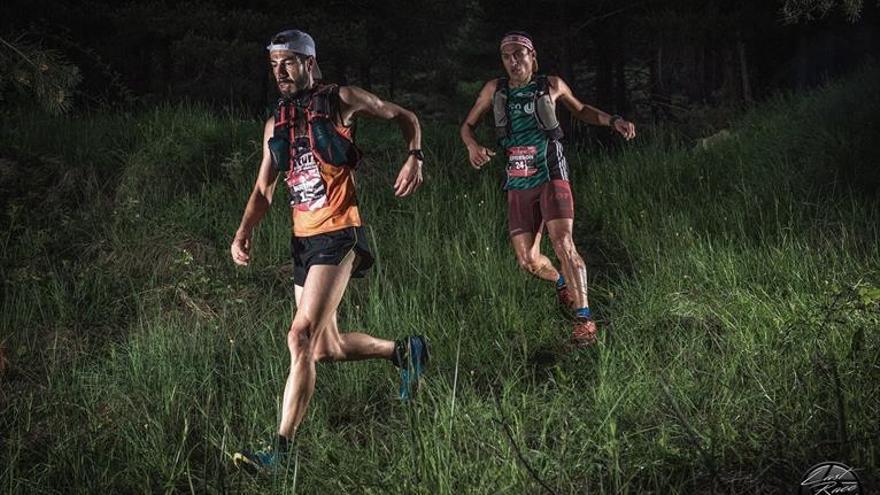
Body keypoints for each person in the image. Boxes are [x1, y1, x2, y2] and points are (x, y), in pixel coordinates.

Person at [230, 29, 429, 471]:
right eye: (274, 66)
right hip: (303, 238)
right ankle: (404, 350)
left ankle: (279, 453)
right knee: (324, 348)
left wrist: (415, 154)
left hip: (339, 233)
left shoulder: (341, 99)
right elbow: (263, 188)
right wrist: (244, 230)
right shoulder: (276, 121)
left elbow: (405, 116)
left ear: (309, 64)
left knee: (299, 336)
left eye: (288, 63)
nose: (280, 72)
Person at [460, 31, 636, 347]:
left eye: (519, 54)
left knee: (562, 241)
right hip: (518, 181)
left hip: (551, 174)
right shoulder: (494, 90)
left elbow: (580, 110)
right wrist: (472, 146)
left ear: (532, 55)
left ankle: (585, 320)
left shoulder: (551, 85)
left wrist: (613, 121)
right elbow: (467, 126)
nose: (513, 61)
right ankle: (560, 282)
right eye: (506, 56)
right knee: (528, 261)